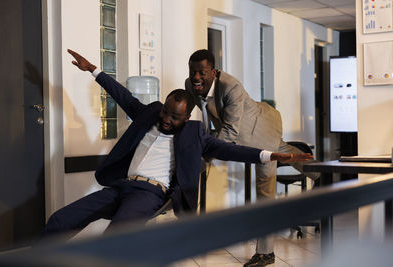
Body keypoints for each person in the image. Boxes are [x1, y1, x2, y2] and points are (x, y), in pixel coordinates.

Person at [41, 49, 312, 240]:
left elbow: (230, 148)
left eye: (175, 117)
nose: (167, 120)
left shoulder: (194, 133)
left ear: (187, 116)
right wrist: (94, 70)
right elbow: (123, 96)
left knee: (114, 239)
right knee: (60, 220)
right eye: (165, 113)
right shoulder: (151, 113)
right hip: (120, 186)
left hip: (149, 194)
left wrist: (270, 155)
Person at [185, 49, 319, 267]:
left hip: (261, 129)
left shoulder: (231, 86)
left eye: (202, 72)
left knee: (265, 190)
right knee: (286, 153)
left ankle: (266, 254)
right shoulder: (191, 84)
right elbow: (185, 112)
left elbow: (229, 131)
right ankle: (322, 173)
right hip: (243, 132)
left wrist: (202, 157)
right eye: (192, 72)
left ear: (214, 72)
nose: (196, 77)